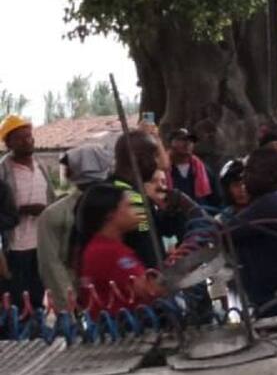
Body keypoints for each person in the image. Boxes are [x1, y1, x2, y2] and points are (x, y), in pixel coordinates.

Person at [37, 144, 112, 307]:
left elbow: (50, 264)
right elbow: (143, 230)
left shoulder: (53, 213)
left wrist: (67, 300)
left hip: (84, 292)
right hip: (118, 294)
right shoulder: (129, 202)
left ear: (70, 173)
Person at [232, 147, 277, 313]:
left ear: (270, 175)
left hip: (275, 298)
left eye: (249, 171)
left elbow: (225, 233)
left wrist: (188, 206)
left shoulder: (273, 202)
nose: (244, 177)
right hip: (273, 293)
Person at [76, 184, 162, 311]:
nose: (138, 211)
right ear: (110, 215)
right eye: (130, 206)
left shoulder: (101, 247)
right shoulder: (109, 252)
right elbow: (149, 290)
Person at [0, 115, 55, 306]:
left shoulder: (41, 166)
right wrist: (22, 210)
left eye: (29, 136)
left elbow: (51, 199)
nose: (28, 140)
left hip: (40, 244)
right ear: (8, 143)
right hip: (14, 247)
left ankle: (37, 330)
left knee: (38, 293)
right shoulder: (3, 171)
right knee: (15, 296)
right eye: (20, 137)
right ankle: (16, 332)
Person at [109, 130, 165, 269]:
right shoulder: (129, 198)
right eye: (154, 156)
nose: (157, 163)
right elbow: (145, 245)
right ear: (137, 158)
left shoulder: (131, 192)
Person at [165, 128, 220, 210]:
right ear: (170, 143)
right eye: (181, 139)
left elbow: (217, 200)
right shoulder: (162, 170)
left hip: (200, 219)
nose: (187, 143)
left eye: (190, 140)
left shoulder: (204, 170)